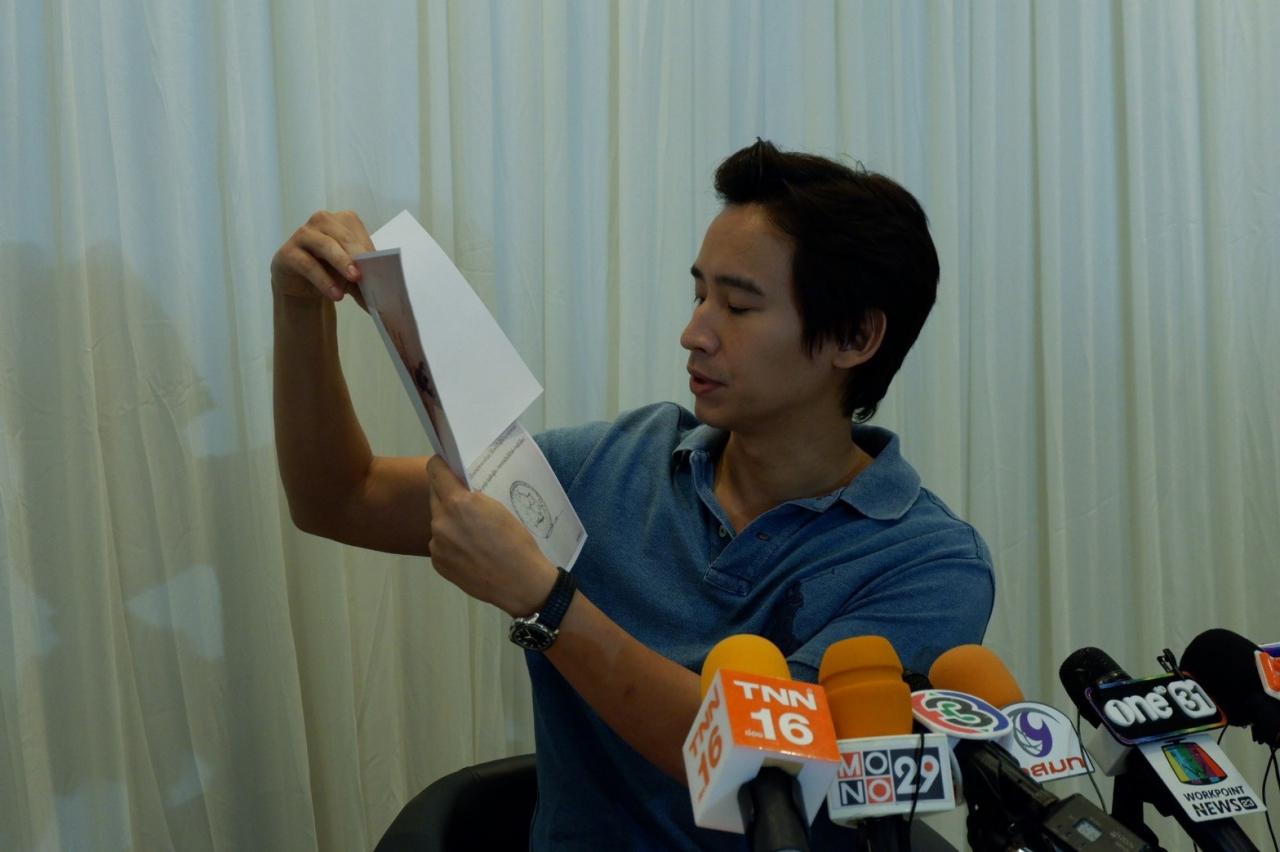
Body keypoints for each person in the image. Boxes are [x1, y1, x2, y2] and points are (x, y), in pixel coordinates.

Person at [271, 139, 995, 849]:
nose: (694, 333)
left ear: (856, 338)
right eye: (699, 294)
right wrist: (302, 311)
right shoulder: (616, 463)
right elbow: (341, 498)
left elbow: (758, 760)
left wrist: (546, 603)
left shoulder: (929, 563)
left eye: (738, 307)